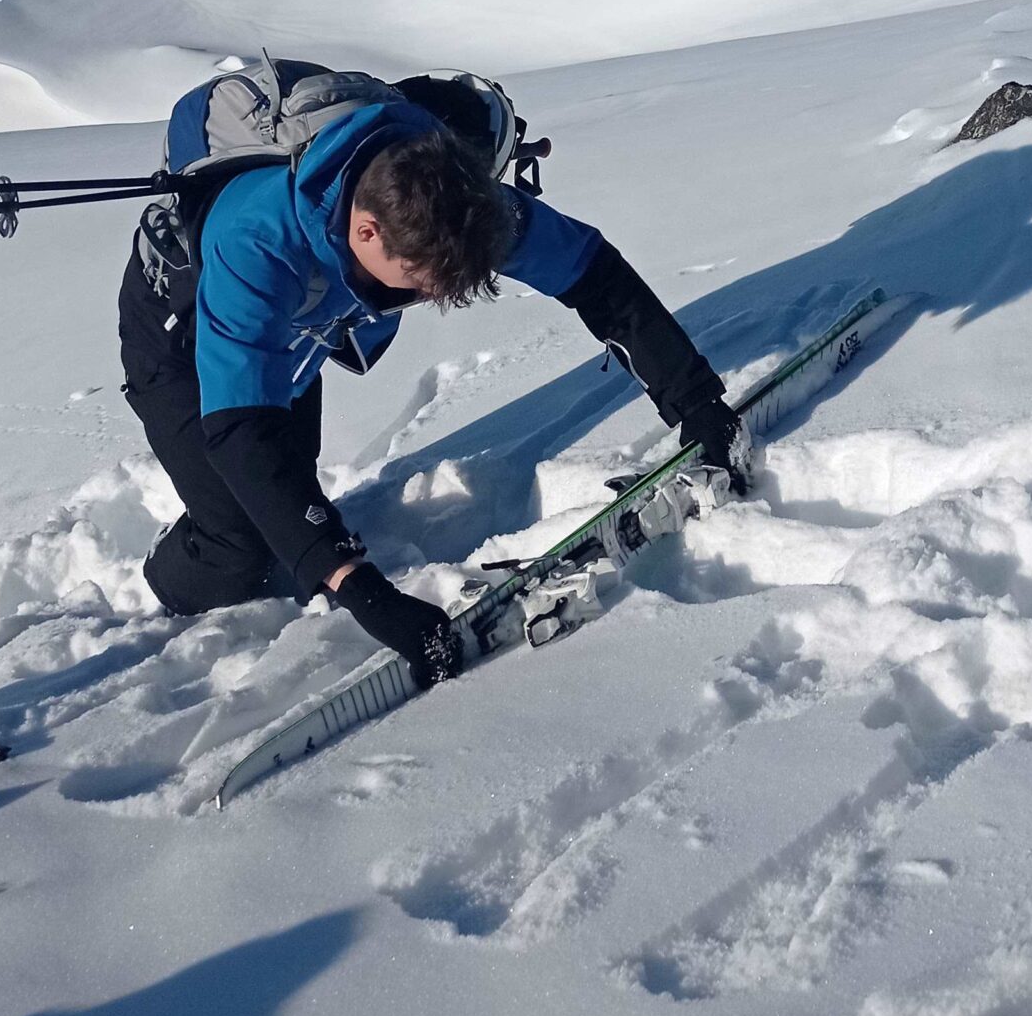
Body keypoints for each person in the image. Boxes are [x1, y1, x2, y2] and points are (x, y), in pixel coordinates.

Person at [117, 90, 744, 685]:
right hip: (182, 337)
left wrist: (696, 402)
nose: (431, 296)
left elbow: (593, 274)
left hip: (296, 333)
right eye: (418, 281)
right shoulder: (253, 238)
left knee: (286, 495)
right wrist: (363, 592)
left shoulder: (451, 196)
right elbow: (241, 431)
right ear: (365, 233)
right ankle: (170, 573)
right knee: (243, 540)